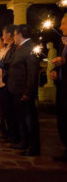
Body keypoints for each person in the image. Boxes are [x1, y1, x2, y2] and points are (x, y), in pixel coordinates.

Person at [0, 24, 40, 156]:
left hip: (23, 91)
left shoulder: (29, 48)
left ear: (20, 34)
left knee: (29, 120)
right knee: (21, 119)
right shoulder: (19, 48)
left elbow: (33, 73)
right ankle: (24, 142)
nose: (13, 37)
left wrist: (28, 92)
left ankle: (33, 147)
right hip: (14, 89)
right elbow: (8, 64)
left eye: (15, 34)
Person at [50, 13, 67, 162]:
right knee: (62, 119)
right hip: (62, 87)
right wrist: (54, 71)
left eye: (63, 23)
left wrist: (65, 61)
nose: (60, 26)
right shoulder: (62, 43)